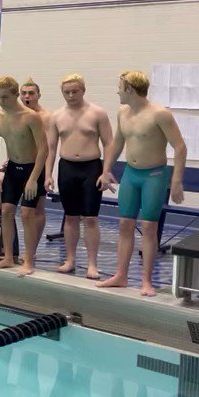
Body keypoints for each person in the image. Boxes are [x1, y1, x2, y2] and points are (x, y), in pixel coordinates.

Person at [97, 71, 186, 297]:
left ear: (130, 89)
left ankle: (147, 281)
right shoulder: (122, 113)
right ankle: (121, 275)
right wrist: (106, 170)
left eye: (120, 87)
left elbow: (180, 146)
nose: (117, 91)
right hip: (131, 174)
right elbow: (117, 143)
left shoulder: (160, 114)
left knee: (149, 227)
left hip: (154, 176)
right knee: (125, 225)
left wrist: (176, 181)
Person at [44, 74, 113, 280]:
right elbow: (51, 148)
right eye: (67, 92)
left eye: (75, 91)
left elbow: (109, 143)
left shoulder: (97, 113)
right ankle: (70, 260)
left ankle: (92, 264)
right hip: (67, 168)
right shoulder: (56, 116)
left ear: (83, 90)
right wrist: (48, 175)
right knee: (71, 216)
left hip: (91, 168)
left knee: (91, 218)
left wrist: (105, 172)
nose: (71, 95)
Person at [0, 76, 48, 276]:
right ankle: (7, 256)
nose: (1, 101)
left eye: (5, 97)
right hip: (13, 168)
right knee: (5, 211)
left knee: (27, 214)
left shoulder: (30, 117)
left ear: (15, 95)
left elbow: (43, 150)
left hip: (32, 170)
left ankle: (29, 260)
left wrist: (33, 179)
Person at [21, 78, 52, 253]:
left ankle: (31, 251)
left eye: (31, 93)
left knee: (36, 209)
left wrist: (47, 175)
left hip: (38, 167)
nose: (27, 97)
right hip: (19, 165)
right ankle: (9, 246)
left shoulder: (46, 116)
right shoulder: (17, 114)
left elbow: (47, 148)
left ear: (38, 95)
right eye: (24, 93)